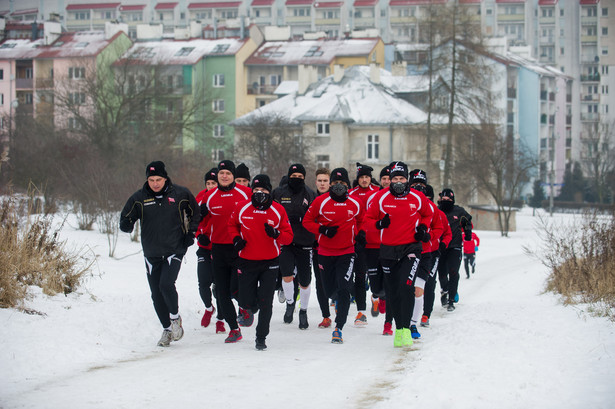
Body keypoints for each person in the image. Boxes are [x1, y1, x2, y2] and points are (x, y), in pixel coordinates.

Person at [119, 161, 200, 347]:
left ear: (166, 178)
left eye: (159, 179)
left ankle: (175, 318)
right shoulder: (140, 198)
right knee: (156, 294)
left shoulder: (180, 194)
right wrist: (126, 225)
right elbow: (126, 217)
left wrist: (191, 233)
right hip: (151, 252)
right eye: (151, 179)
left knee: (166, 284)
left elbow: (196, 212)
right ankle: (167, 329)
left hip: (174, 249)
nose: (155, 183)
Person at [365, 161, 433, 348]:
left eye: (402, 178)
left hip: (411, 248)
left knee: (406, 287)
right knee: (393, 291)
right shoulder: (380, 197)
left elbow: (428, 214)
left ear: (407, 179)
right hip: (387, 249)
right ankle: (398, 329)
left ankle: (406, 329)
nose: (398, 181)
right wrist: (379, 225)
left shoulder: (418, 197)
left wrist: (423, 228)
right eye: (395, 178)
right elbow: (367, 220)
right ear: (390, 180)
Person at [229, 174, 293, 350]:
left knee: (267, 302)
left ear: (269, 191)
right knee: (244, 300)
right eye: (256, 190)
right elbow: (232, 225)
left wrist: (277, 234)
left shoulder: (278, 210)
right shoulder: (242, 207)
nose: (260, 193)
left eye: (263, 190)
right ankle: (249, 307)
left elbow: (288, 237)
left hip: (269, 263)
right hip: (246, 260)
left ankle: (261, 337)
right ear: (252, 191)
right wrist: (235, 239)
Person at [303, 167, 363, 344]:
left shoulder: (355, 202)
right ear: (330, 184)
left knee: (344, 289)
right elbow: (307, 221)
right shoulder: (320, 201)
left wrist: (358, 233)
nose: (338, 186)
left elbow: (362, 219)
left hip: (347, 252)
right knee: (330, 290)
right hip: (325, 252)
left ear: (347, 185)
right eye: (335, 183)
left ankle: (338, 328)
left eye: (342, 183)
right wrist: (322, 229)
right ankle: (335, 301)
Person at [199, 160, 252, 343]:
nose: (224, 176)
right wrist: (201, 235)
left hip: (239, 247)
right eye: (221, 173)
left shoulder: (245, 193)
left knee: (235, 288)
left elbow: (255, 215)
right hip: (218, 247)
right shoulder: (209, 196)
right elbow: (202, 219)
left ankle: (245, 306)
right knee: (221, 292)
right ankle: (234, 329)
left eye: (228, 173)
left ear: (233, 175)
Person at [272, 164, 317, 329]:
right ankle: (290, 303)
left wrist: (305, 222)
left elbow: (315, 217)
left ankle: (303, 311)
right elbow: (272, 212)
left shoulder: (310, 194)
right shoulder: (279, 193)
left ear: (304, 178)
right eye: (294, 176)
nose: (296, 179)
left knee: (305, 281)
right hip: (286, 242)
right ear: (288, 176)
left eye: (300, 177)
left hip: (305, 243)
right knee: (287, 275)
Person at [407, 170, 447, 340]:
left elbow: (440, 228)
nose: (418, 187)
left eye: (422, 185)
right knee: (404, 290)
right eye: (415, 184)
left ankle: (413, 324)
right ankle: (402, 320)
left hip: (426, 253)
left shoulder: (431, 207)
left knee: (419, 289)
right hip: (406, 253)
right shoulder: (403, 202)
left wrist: (429, 236)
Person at [195, 168, 226, 333]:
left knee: (220, 286)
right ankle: (208, 308)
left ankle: (220, 320)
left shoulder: (224, 197)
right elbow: (193, 221)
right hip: (205, 247)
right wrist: (199, 235)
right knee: (203, 282)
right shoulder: (200, 199)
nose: (211, 186)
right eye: (208, 183)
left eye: (214, 183)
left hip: (221, 248)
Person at [349, 162, 379, 327]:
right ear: (358, 178)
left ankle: (376, 296)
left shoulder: (378, 192)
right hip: (357, 241)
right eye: (362, 177)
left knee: (375, 278)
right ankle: (361, 312)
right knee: (359, 276)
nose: (365, 180)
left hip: (375, 241)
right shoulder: (351, 193)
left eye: (367, 177)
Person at [420, 184, 451, 328]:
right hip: (415, 252)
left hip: (433, 254)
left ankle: (426, 314)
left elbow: (447, 233)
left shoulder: (438, 213)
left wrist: (443, 244)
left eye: (427, 197)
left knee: (429, 283)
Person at [437, 188, 472, 312]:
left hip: (455, 246)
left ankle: (451, 300)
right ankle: (444, 291)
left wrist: (468, 232)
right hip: (440, 246)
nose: (446, 201)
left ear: (453, 200)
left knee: (453, 272)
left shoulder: (459, 211)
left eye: (449, 200)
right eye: (444, 199)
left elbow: (468, 221)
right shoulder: (437, 210)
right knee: (441, 273)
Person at [313, 167, 333, 328]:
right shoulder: (312, 198)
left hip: (338, 247)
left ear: (330, 183)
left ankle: (340, 303)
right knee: (320, 282)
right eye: (319, 180)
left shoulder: (337, 198)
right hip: (317, 247)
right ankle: (326, 315)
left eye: (325, 180)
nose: (322, 183)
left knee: (336, 280)